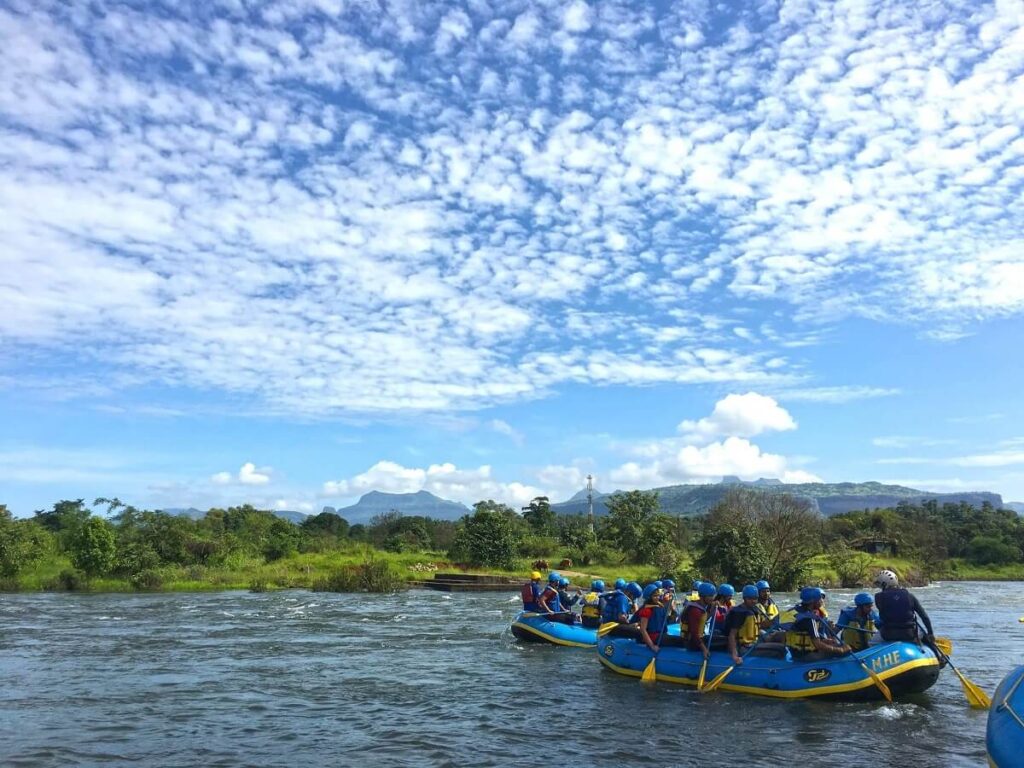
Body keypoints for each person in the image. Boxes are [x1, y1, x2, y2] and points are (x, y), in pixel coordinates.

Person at [873, 569, 938, 652]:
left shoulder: (878, 597)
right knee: (925, 637)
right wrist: (930, 633)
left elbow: (884, 615)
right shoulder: (910, 596)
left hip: (888, 634)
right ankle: (939, 657)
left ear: (884, 584)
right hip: (909, 634)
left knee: (871, 642)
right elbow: (924, 617)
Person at [785, 587, 850, 660]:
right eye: (820, 599)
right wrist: (841, 650)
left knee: (835, 645)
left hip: (795, 653)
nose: (822, 601)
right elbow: (818, 645)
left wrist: (826, 641)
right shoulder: (810, 620)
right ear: (813, 602)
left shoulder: (796, 613)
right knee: (845, 651)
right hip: (807, 656)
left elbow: (807, 636)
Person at [723, 585, 764, 665]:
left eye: (755, 599)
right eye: (750, 599)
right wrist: (735, 656)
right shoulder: (739, 613)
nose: (753, 601)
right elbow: (732, 635)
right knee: (779, 649)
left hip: (752, 643)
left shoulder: (754, 609)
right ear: (744, 598)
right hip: (743, 647)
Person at [680, 582, 719, 657]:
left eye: (713, 596)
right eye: (710, 596)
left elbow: (703, 620)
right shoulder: (695, 610)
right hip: (692, 642)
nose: (713, 598)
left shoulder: (700, 607)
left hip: (698, 639)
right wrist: (704, 649)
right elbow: (694, 633)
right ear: (702, 596)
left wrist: (713, 609)